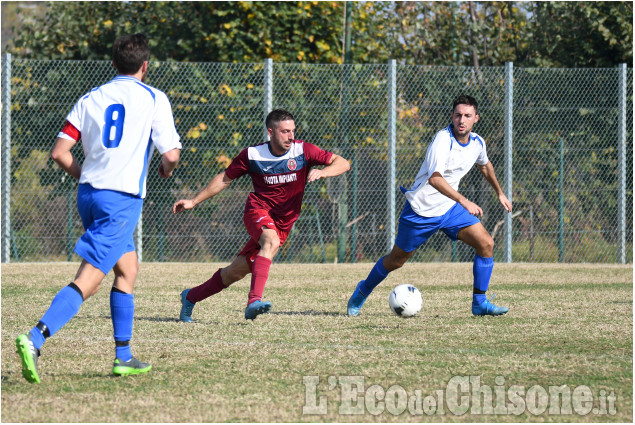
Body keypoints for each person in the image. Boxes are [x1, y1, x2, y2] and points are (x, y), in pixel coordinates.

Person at [15, 33, 182, 383]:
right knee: (88, 280)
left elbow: (60, 152)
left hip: (89, 195)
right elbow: (170, 155)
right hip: (120, 200)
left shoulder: (90, 97)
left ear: (113, 64)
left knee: (128, 270)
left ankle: (123, 356)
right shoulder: (154, 98)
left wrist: (84, 175)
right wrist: (167, 168)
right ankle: (34, 338)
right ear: (145, 66)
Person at [173, 109, 350, 321]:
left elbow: (343, 163)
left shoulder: (303, 151)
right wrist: (193, 201)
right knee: (271, 240)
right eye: (285, 131)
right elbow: (225, 178)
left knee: (235, 272)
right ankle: (253, 301)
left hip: (283, 223)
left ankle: (190, 297)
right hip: (258, 210)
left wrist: (323, 171)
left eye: (293, 131)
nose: (291, 136)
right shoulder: (253, 155)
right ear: (270, 132)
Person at [347, 95, 512, 317]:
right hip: (421, 211)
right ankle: (362, 290)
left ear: (476, 119)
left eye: (467, 116)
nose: (461, 120)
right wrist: (463, 200)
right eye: (458, 115)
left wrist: (499, 192)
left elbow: (485, 165)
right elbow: (435, 179)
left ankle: (479, 303)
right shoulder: (442, 141)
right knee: (396, 260)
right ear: (452, 117)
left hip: (450, 210)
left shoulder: (477, 143)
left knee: (486, 244)